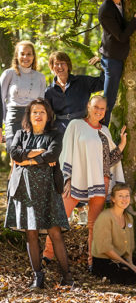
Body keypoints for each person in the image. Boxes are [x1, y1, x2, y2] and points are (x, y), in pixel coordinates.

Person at [43, 95, 126, 269]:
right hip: (76, 180)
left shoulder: (105, 130)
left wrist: (122, 145)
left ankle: (92, 261)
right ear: (88, 106)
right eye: (96, 107)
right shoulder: (76, 125)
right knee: (59, 217)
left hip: (100, 182)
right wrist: (66, 179)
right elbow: (66, 152)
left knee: (94, 225)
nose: (99, 111)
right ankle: (47, 255)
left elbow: (108, 160)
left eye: (102, 109)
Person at [5, 98, 73, 288]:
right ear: (29, 115)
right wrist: (37, 153)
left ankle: (67, 277)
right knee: (31, 233)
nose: (38, 115)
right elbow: (14, 154)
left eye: (42, 111)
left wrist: (27, 160)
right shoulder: (20, 133)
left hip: (48, 188)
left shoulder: (56, 134)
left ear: (48, 115)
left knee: (55, 232)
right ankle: (38, 277)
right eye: (34, 111)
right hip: (24, 189)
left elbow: (52, 154)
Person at [91, 183, 136, 284]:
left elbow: (129, 245)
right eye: (120, 196)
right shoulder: (105, 217)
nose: (124, 199)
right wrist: (128, 265)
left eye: (127, 195)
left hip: (121, 257)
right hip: (104, 260)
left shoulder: (128, 218)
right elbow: (105, 248)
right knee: (129, 278)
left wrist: (130, 262)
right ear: (113, 199)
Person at [0, 41, 45, 151]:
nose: (26, 57)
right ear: (17, 56)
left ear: (33, 56)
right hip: (13, 119)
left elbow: (41, 103)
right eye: (22, 53)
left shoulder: (40, 77)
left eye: (29, 54)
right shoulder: (8, 74)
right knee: (15, 155)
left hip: (32, 119)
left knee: (30, 158)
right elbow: (0, 101)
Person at [45, 51, 104, 133]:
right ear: (52, 67)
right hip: (60, 130)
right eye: (57, 64)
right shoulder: (49, 91)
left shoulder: (82, 81)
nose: (60, 66)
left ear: (68, 65)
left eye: (63, 63)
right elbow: (47, 116)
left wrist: (102, 64)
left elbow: (103, 82)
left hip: (83, 127)